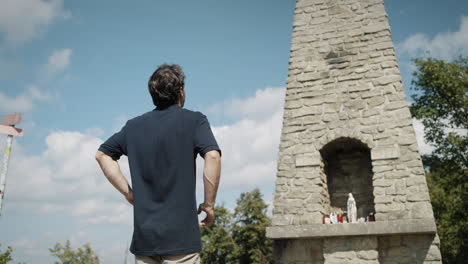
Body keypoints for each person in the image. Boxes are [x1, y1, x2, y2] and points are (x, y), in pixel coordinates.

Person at [95, 64, 221, 264]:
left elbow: (102, 155)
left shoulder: (133, 127)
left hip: (145, 242)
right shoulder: (195, 120)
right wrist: (209, 205)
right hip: (182, 242)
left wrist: (129, 193)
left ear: (153, 94)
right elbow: (212, 156)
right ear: (181, 92)